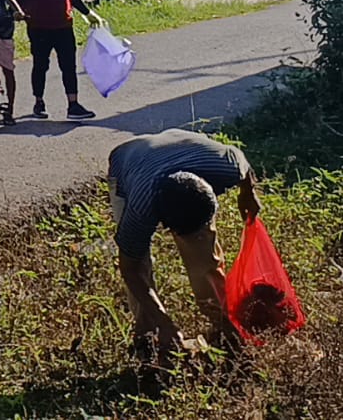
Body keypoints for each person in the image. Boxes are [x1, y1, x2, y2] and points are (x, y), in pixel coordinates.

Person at [108, 129, 262, 356]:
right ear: (167, 227)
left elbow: (241, 160)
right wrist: (165, 323)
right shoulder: (140, 209)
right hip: (128, 160)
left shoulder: (224, 167)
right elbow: (130, 269)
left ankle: (227, 328)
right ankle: (148, 338)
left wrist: (247, 193)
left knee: (204, 260)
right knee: (141, 264)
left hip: (185, 150)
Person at [15, 0, 99, 120]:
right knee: (40, 65)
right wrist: (16, 13)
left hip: (63, 24)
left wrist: (89, 13)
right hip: (39, 27)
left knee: (68, 65)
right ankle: (39, 103)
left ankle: (73, 104)